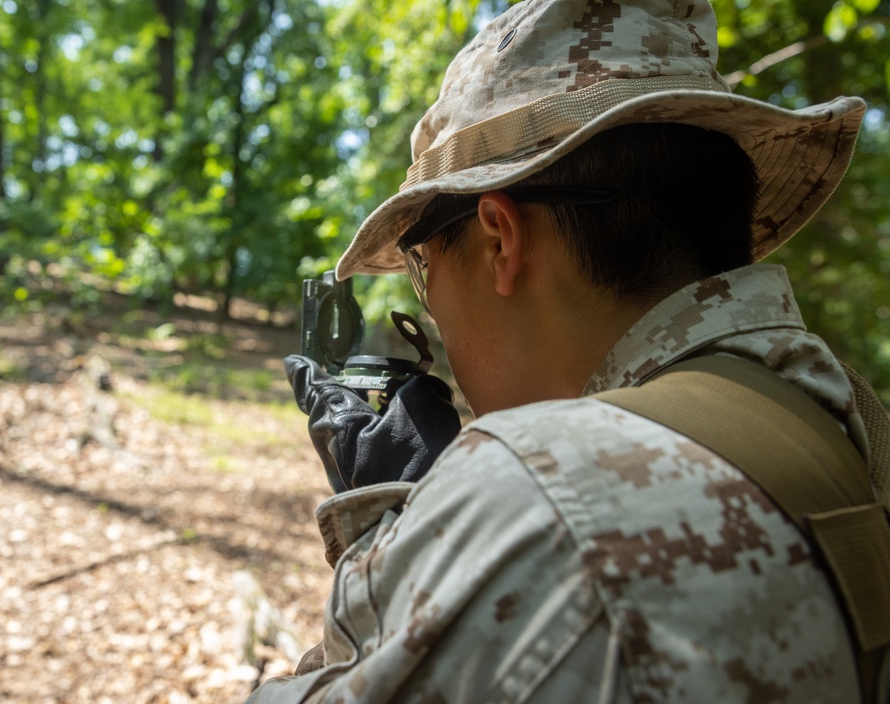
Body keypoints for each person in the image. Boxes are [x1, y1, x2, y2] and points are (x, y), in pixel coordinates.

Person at [248, 0, 885, 701]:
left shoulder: (541, 494)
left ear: (498, 238)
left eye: (423, 268)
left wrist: (392, 532)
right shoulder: (850, 419)